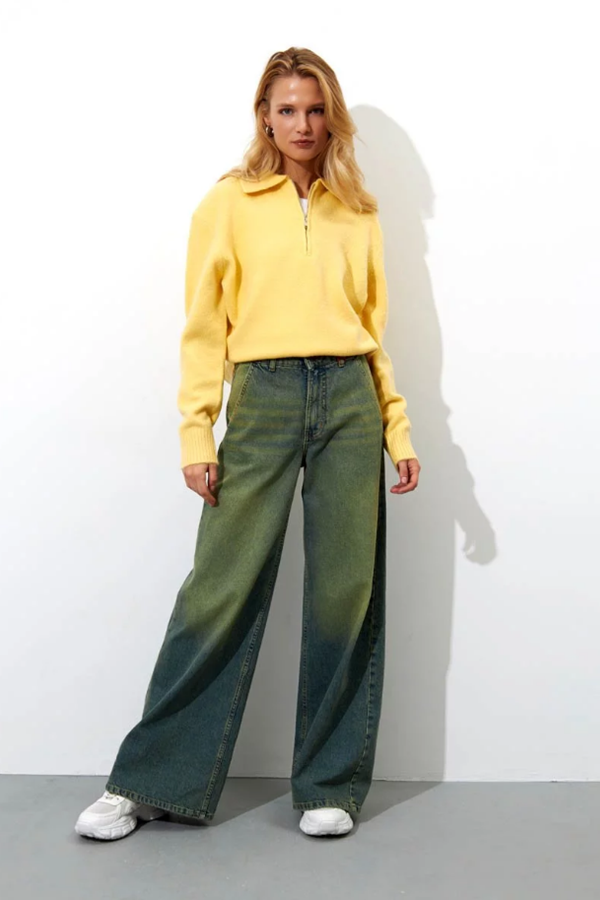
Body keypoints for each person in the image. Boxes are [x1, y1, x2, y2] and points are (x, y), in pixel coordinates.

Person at [75, 46, 420, 842]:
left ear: (331, 117)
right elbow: (203, 327)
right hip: (261, 398)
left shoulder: (356, 210)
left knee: (344, 594)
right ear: (264, 117)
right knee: (218, 590)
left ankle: (329, 785)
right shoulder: (228, 202)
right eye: (287, 109)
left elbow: (373, 332)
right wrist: (196, 431)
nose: (302, 124)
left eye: (315, 108)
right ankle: (149, 782)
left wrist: (396, 426)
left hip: (349, 400)